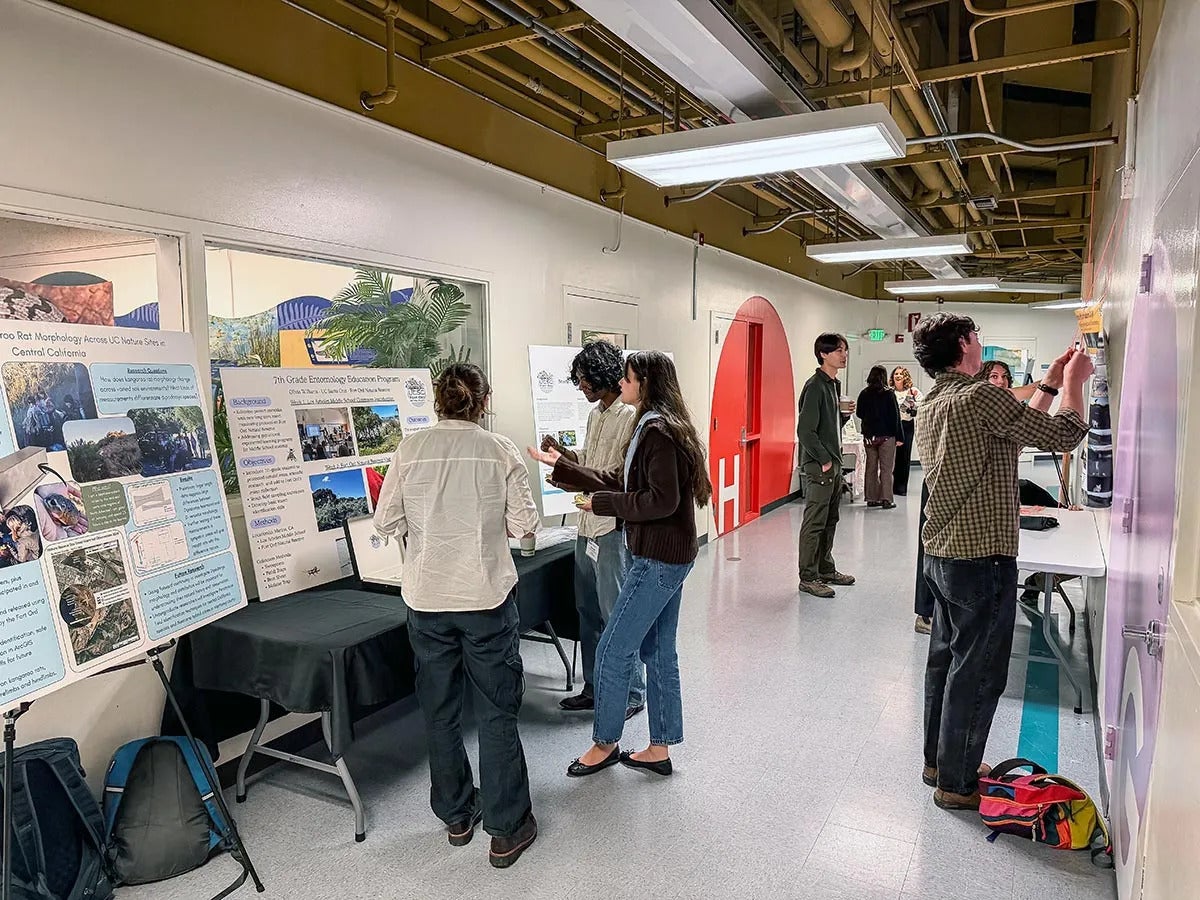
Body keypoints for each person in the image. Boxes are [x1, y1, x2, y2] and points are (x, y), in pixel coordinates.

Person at [912, 313, 1091, 811]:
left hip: (943, 554)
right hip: (982, 560)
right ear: (965, 345)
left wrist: (1052, 384)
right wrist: (1077, 385)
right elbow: (1064, 436)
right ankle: (958, 783)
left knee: (946, 662)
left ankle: (942, 762)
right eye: (977, 338)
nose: (981, 345)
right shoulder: (980, 395)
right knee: (981, 672)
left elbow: (1013, 433)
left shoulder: (937, 401)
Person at [373, 363, 540, 869]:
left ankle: (456, 816)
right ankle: (508, 829)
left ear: (438, 401)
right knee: (495, 711)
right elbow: (524, 524)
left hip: (427, 602)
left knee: (440, 713)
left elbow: (386, 521)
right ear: (483, 400)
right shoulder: (500, 450)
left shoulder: (409, 449)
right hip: (486, 600)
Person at [528, 351, 710, 779]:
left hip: (658, 558)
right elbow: (625, 480)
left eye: (627, 378)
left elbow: (659, 500)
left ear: (643, 383)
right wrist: (566, 466)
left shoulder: (657, 432)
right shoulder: (654, 426)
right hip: (670, 553)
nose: (621, 383)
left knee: (613, 648)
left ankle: (604, 743)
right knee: (659, 651)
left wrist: (603, 503)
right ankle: (659, 748)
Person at [541, 340, 642, 717]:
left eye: (584, 380)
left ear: (603, 375)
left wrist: (572, 474)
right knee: (587, 611)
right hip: (586, 523)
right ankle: (595, 686)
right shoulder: (596, 414)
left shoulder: (630, 416)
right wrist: (564, 456)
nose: (580, 386)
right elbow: (590, 461)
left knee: (617, 613)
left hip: (612, 528)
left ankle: (631, 693)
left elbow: (616, 476)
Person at [795, 333, 855, 598]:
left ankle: (825, 568)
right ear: (823, 354)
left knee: (831, 519)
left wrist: (842, 418)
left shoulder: (833, 385)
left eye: (845, 350)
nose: (844, 355)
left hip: (833, 464)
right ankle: (808, 577)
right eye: (839, 350)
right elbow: (806, 431)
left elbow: (827, 428)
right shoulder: (816, 386)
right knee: (815, 522)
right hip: (821, 467)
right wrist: (825, 460)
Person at [855, 365, 903, 509]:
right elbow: (895, 416)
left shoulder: (864, 393)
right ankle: (886, 499)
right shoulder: (889, 394)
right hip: (887, 436)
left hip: (870, 436)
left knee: (871, 467)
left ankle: (871, 498)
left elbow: (859, 413)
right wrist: (899, 436)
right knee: (886, 469)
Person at [891, 366, 921, 496]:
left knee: (904, 456)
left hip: (906, 425)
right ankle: (889, 487)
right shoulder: (890, 392)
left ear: (905, 377)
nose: (898, 376)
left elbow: (922, 404)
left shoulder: (913, 391)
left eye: (901, 374)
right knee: (891, 456)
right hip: (892, 425)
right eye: (896, 374)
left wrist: (913, 405)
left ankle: (901, 487)